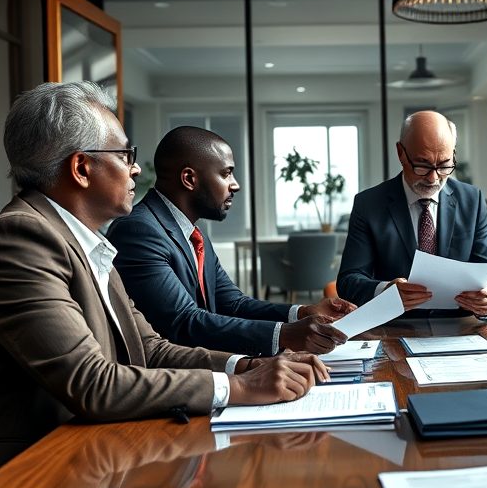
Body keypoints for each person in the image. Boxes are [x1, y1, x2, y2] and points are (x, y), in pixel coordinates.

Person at [0, 82, 328, 488]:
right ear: (82, 168)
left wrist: (251, 364)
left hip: (92, 461)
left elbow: (150, 348)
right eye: (125, 156)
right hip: (25, 483)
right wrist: (239, 387)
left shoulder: (85, 241)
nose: (137, 170)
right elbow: (94, 383)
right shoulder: (18, 240)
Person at [107, 126, 353, 356]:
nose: (235, 185)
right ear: (189, 179)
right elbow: (183, 323)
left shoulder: (194, 232)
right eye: (226, 174)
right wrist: (285, 335)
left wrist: (302, 312)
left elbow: (234, 304)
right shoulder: (138, 231)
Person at [337, 110, 487, 317]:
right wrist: (385, 291)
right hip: (394, 327)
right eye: (422, 165)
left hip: (460, 328)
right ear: (401, 153)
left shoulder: (472, 200)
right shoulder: (369, 204)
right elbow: (348, 281)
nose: (433, 178)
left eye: (444, 165)